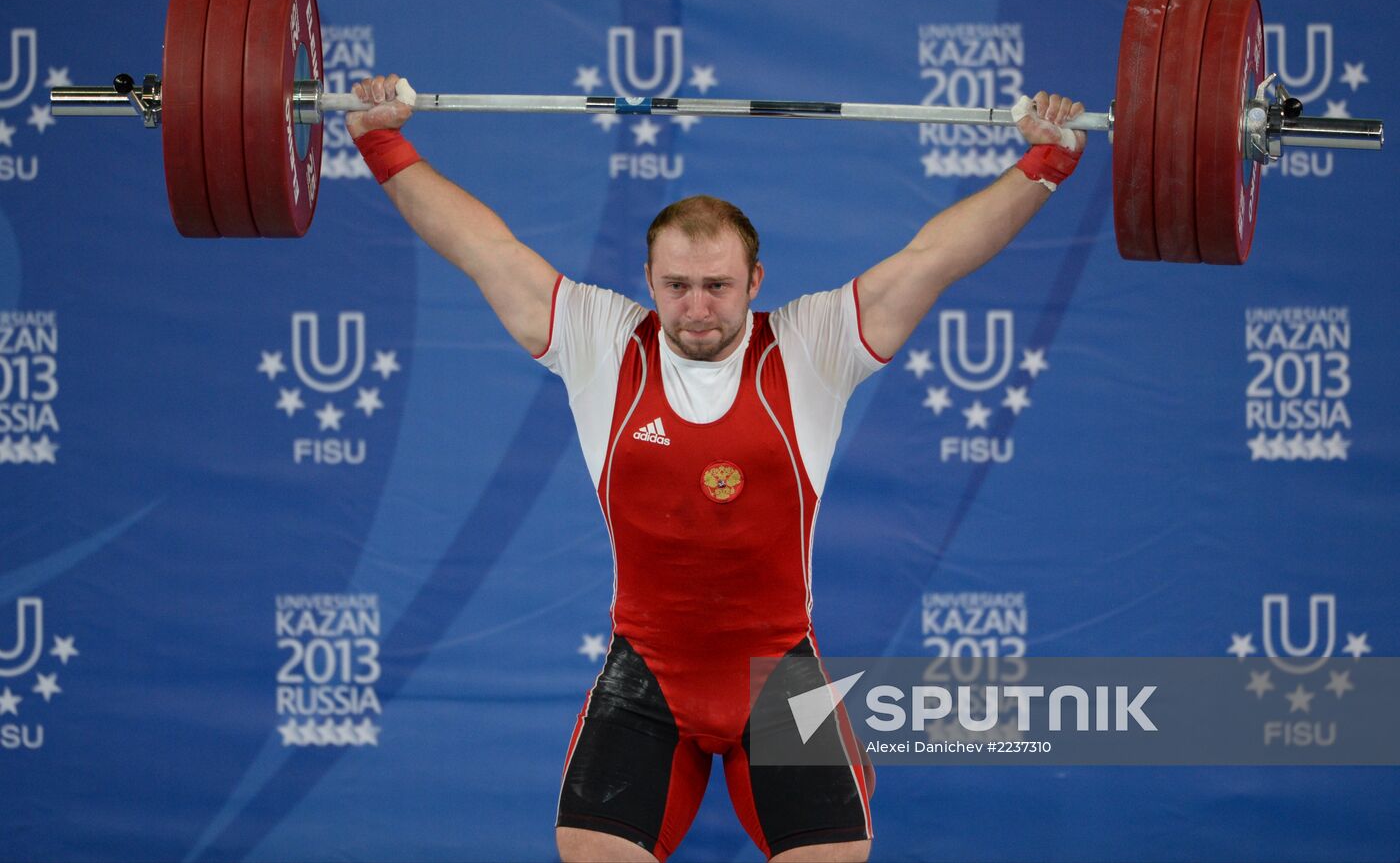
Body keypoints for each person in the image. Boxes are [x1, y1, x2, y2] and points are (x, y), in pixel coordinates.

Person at [347, 74, 1086, 862]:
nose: (697, 308)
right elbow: (481, 247)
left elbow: (935, 257)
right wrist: (381, 140)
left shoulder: (811, 345)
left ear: (755, 283)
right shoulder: (601, 338)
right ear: (649, 283)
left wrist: (1043, 163)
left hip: (779, 684)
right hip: (648, 678)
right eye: (677, 286)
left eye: (717, 286)